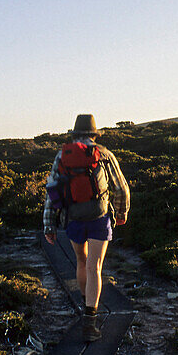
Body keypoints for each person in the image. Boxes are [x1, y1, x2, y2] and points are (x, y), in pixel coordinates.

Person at [43, 114, 130, 341]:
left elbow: (51, 191)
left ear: (74, 133)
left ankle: (85, 304)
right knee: (95, 267)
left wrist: (49, 225)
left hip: (73, 218)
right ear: (94, 133)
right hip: (99, 217)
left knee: (81, 262)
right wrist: (121, 212)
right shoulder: (104, 153)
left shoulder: (62, 155)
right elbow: (121, 188)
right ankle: (90, 322)